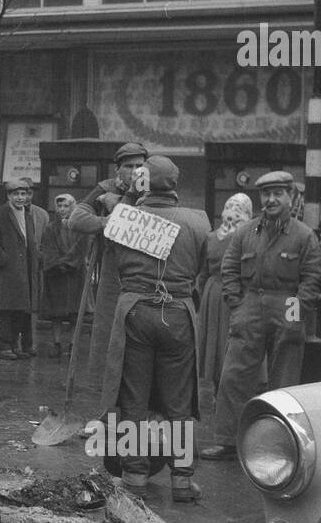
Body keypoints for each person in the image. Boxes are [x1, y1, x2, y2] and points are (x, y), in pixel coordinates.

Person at [97, 156, 211, 502]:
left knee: (133, 399)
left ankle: (134, 476)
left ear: (141, 182)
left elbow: (109, 255)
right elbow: (204, 268)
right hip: (178, 313)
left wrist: (125, 197)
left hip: (135, 312)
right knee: (179, 402)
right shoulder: (199, 220)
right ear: (174, 184)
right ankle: (182, 480)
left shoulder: (124, 217)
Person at [200, 171, 321, 460]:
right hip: (250, 304)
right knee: (234, 376)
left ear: (290, 197)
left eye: (278, 193)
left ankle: (279, 444)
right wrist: (238, 304)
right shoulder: (246, 232)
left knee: (283, 382)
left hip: (287, 304)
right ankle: (228, 441)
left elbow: (312, 279)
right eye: (266, 194)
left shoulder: (304, 235)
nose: (271, 199)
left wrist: (294, 315)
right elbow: (230, 268)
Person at [68, 142, 149, 388]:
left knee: (141, 332)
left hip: (147, 270)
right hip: (113, 270)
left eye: (139, 166)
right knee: (107, 329)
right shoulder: (106, 188)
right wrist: (108, 220)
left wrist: (122, 204)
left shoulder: (156, 189)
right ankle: (103, 388)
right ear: (118, 170)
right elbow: (76, 219)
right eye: (128, 166)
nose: (134, 171)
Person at [0, 178, 49, 359]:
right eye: (16, 194)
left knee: (20, 309)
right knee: (5, 309)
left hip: (25, 270)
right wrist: (4, 260)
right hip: (7, 271)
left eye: (23, 194)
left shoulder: (27, 215)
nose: (20, 198)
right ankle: (3, 347)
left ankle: (14, 345)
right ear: (8, 196)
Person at [196, 193, 253, 393]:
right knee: (220, 340)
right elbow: (203, 272)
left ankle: (226, 386)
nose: (232, 212)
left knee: (228, 339)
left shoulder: (245, 238)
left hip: (230, 293)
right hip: (218, 293)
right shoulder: (213, 238)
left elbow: (203, 274)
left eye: (238, 208)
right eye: (230, 206)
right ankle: (219, 386)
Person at [39, 193, 86, 359]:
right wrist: (56, 264)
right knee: (56, 313)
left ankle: (73, 344)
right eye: (59, 206)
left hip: (75, 274)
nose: (62, 209)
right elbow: (47, 248)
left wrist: (68, 263)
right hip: (56, 274)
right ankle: (57, 344)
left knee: (75, 312)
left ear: (73, 207)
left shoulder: (80, 227)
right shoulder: (50, 228)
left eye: (66, 206)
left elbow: (81, 247)